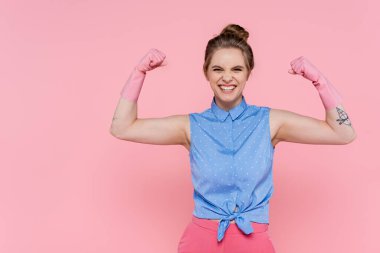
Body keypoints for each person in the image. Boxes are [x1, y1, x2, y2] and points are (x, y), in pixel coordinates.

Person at [109, 24, 356, 253]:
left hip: (253, 240)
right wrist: (138, 73)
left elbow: (343, 132)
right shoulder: (190, 126)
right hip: (199, 241)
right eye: (218, 69)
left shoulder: (269, 122)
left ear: (249, 73)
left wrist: (319, 81)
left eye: (236, 69)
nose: (227, 77)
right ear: (206, 72)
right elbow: (122, 127)